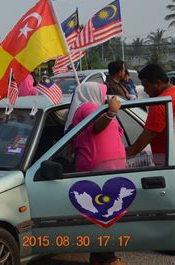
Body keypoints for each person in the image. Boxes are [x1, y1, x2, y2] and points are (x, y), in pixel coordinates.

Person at [65, 82, 125, 265]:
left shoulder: (92, 108)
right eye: (103, 93)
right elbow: (97, 127)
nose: (105, 96)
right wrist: (112, 111)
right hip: (98, 171)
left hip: (103, 170)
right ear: (93, 93)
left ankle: (99, 257)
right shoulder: (88, 107)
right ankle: (109, 258)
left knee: (101, 214)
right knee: (104, 214)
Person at [126, 64, 175, 164]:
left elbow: (147, 136)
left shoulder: (160, 103)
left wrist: (123, 158)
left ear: (158, 83)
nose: (144, 90)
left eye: (146, 86)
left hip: (167, 163)